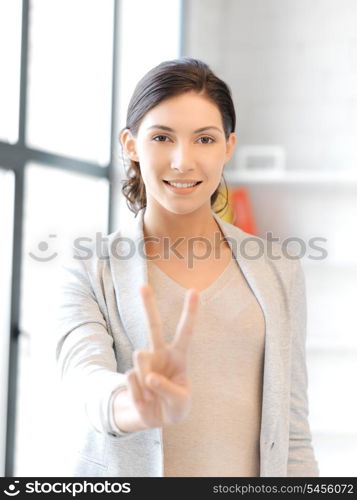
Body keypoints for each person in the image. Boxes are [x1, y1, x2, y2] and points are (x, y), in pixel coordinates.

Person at [55, 57, 319, 477]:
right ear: (130, 144)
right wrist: (133, 404)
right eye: (162, 137)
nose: (183, 161)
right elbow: (85, 381)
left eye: (205, 139)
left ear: (228, 147)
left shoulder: (279, 269)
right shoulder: (90, 268)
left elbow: (293, 430)